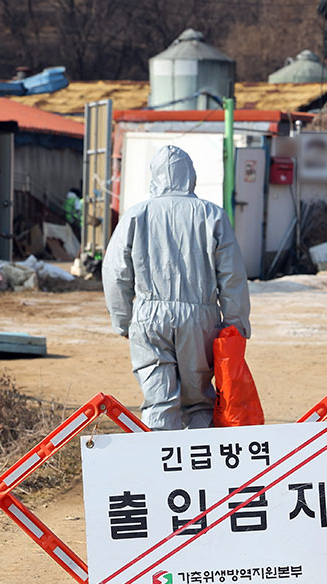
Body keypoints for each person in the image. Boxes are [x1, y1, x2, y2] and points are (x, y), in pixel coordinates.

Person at [103, 145, 250, 431]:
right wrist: (235, 325)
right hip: (201, 320)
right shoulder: (212, 215)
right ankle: (201, 468)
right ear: (190, 176)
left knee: (158, 401)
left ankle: (161, 466)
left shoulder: (136, 215)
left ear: (154, 177)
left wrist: (123, 322)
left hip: (148, 317)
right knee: (199, 402)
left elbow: (115, 273)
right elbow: (232, 276)